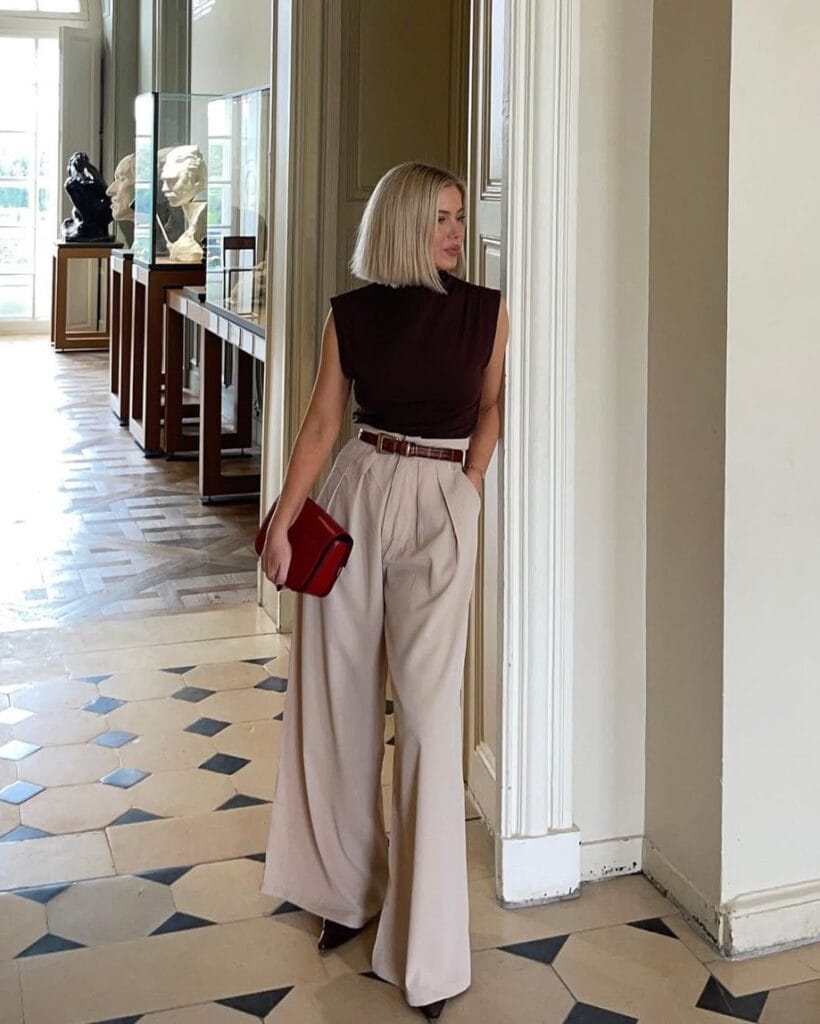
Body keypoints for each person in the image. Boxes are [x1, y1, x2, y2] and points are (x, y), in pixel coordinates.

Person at [260, 161, 509, 1020]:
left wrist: (468, 487)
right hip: (359, 491)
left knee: (433, 728)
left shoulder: (487, 309)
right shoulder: (352, 315)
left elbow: (492, 407)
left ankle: (427, 952)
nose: (455, 231)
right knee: (337, 703)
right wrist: (282, 519)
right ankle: (343, 893)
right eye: (440, 217)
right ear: (402, 224)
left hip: (441, 500)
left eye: (456, 218)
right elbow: (324, 421)